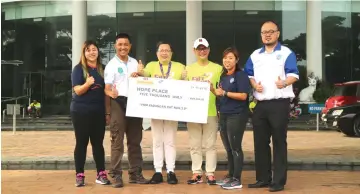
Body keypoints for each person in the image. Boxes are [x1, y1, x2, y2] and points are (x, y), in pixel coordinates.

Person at [244, 21, 299, 192]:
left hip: (279, 104)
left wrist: (284, 82)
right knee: (260, 143)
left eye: (270, 31)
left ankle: (279, 181)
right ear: (261, 35)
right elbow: (249, 74)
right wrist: (254, 85)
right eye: (264, 32)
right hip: (260, 104)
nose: (267, 34)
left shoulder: (286, 53)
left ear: (278, 34)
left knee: (279, 142)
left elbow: (294, 75)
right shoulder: (255, 55)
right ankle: (263, 178)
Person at [104, 33, 150, 188]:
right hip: (118, 102)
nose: (123, 47)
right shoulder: (111, 65)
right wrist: (111, 94)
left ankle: (135, 174)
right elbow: (107, 88)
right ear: (115, 46)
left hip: (135, 102)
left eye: (126, 44)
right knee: (117, 141)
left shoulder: (135, 63)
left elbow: (143, 82)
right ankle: (116, 175)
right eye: (120, 44)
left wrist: (140, 74)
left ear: (130, 46)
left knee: (135, 140)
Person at [138, 41, 185, 184]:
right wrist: (140, 71)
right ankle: (158, 171)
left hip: (172, 109)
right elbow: (143, 78)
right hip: (156, 109)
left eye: (167, 50)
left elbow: (185, 85)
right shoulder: (151, 66)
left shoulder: (179, 66)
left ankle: (171, 171)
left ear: (171, 53)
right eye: (161, 50)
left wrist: (184, 78)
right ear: (157, 53)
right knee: (157, 141)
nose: (164, 53)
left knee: (170, 141)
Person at [182, 38, 222, 185]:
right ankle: (197, 173)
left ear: (209, 49)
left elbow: (220, 90)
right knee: (194, 144)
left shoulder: (218, 68)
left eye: (204, 48)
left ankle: (210, 173)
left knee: (210, 145)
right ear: (194, 51)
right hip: (193, 112)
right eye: (199, 49)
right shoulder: (188, 69)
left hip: (210, 111)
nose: (202, 51)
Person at [70, 40, 111, 187]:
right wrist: (87, 84)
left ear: (98, 52)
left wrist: (107, 113)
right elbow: (77, 91)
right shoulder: (78, 69)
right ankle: (79, 175)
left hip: (98, 112)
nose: (92, 52)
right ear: (84, 53)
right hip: (80, 111)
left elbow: (106, 94)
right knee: (81, 143)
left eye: (94, 49)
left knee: (98, 144)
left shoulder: (103, 69)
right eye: (88, 50)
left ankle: (101, 174)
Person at [212, 47, 250, 190]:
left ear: (237, 60)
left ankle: (237, 179)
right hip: (224, 114)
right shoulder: (223, 76)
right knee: (228, 148)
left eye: (230, 58)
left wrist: (225, 93)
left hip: (237, 115)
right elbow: (220, 94)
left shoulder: (241, 75)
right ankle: (230, 175)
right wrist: (212, 89)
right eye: (225, 58)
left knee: (235, 148)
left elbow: (243, 96)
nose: (227, 61)